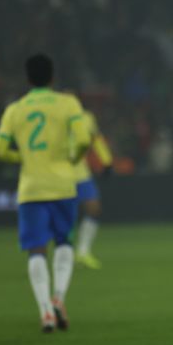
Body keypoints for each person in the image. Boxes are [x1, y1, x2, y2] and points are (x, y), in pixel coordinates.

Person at [0, 54, 90, 332]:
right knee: (64, 243)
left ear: (28, 78)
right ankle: (59, 296)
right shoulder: (67, 103)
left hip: (31, 188)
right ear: (52, 76)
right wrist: (72, 157)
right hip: (63, 185)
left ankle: (45, 310)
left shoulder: (15, 109)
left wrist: (23, 158)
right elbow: (84, 139)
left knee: (36, 249)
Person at [73, 109, 114, 269]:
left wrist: (107, 161)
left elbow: (96, 140)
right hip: (59, 174)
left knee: (94, 209)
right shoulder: (52, 116)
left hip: (81, 173)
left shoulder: (87, 117)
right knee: (63, 217)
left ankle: (83, 252)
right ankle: (63, 253)